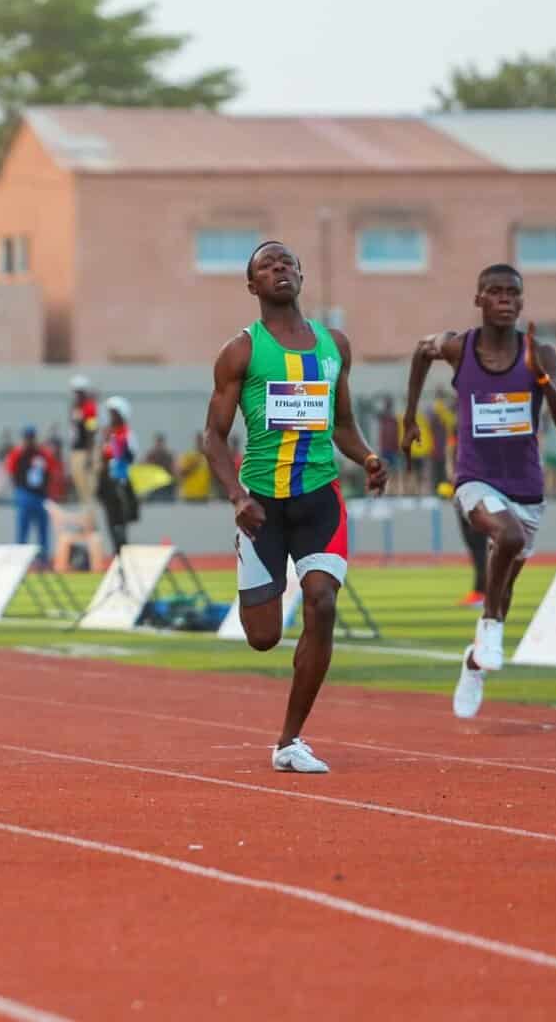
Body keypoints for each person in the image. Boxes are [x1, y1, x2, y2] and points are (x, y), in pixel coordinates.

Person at [201, 240, 388, 774]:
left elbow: (344, 426)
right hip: (261, 504)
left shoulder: (335, 347)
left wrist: (369, 457)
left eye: (288, 263)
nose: (280, 269)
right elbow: (213, 439)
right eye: (267, 265)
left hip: (319, 498)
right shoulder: (240, 351)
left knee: (321, 603)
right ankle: (253, 564)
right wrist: (237, 497)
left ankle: (289, 741)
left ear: (302, 276)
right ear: (252, 286)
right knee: (263, 638)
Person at [404, 263, 556, 721]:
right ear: (478, 300)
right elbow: (422, 352)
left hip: (527, 487)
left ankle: (475, 660)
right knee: (510, 538)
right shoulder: (460, 347)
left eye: (513, 293)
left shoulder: (540, 353)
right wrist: (409, 417)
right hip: (474, 478)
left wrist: (543, 379)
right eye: (495, 292)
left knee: (507, 582)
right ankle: (490, 625)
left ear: (521, 302)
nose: (505, 300)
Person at [5, 427, 58, 566]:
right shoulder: (18, 453)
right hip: (25, 494)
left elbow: (52, 470)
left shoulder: (42, 453)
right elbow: (10, 470)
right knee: (23, 530)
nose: (28, 441)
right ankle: (19, 562)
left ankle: (43, 561)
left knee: (42, 531)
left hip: (40, 496)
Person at [96, 397, 140, 552]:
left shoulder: (127, 434)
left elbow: (131, 457)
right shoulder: (107, 434)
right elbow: (102, 456)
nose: (111, 417)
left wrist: (119, 447)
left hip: (121, 481)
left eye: (114, 413)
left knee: (121, 522)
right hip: (107, 482)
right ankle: (117, 552)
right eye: (110, 413)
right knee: (111, 522)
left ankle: (123, 550)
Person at [66, 376, 99, 508]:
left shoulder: (89, 408)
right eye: (75, 392)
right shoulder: (75, 408)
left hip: (86, 451)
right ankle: (85, 518)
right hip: (76, 450)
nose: (77, 395)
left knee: (88, 489)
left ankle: (90, 520)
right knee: (80, 488)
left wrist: (90, 455)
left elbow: (91, 431)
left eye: (79, 392)